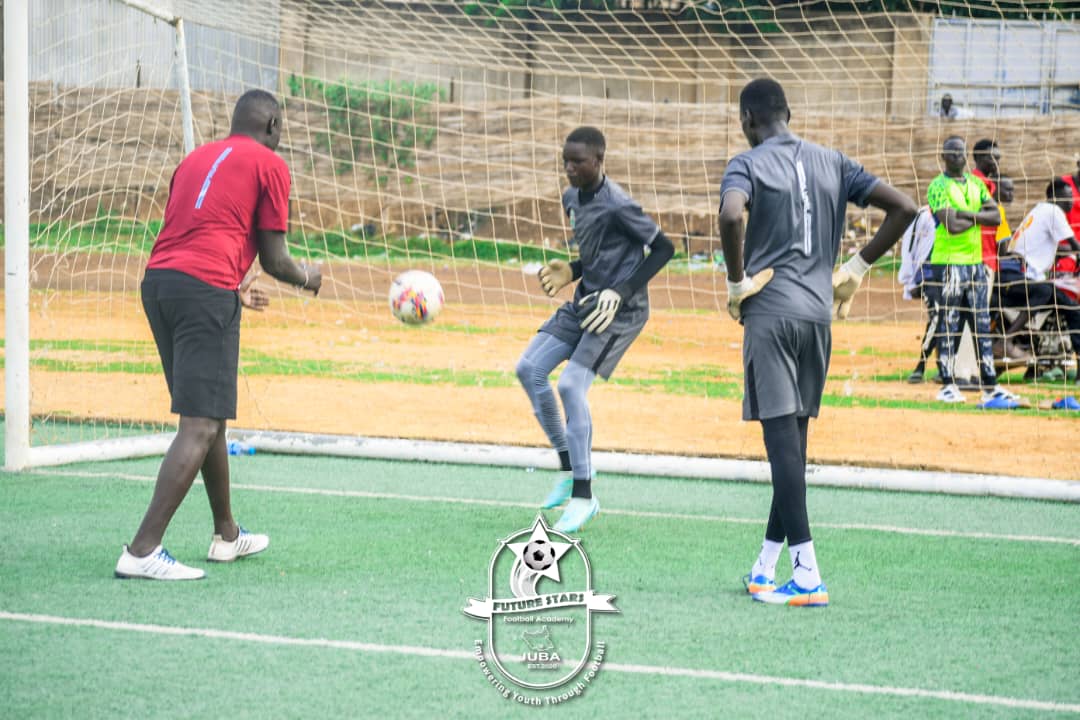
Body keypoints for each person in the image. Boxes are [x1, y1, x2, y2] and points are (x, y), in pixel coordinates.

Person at [719, 78, 916, 606]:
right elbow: (904, 207)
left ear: (746, 121)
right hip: (817, 316)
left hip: (770, 313)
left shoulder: (746, 163)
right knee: (794, 449)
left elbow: (732, 214)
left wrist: (737, 283)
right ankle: (765, 566)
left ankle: (806, 571)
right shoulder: (835, 161)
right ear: (789, 112)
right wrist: (854, 267)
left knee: (782, 448)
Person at [115, 90, 322, 580]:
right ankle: (143, 550)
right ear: (272, 124)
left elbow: (199, 228)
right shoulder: (270, 164)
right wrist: (308, 278)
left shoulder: (195, 159)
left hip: (160, 285)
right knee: (201, 425)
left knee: (208, 420)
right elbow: (276, 259)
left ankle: (226, 534)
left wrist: (232, 285)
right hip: (204, 291)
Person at [519, 126, 674, 533]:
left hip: (621, 311)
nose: (570, 168)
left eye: (579, 162)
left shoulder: (619, 204)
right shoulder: (571, 198)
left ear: (599, 161)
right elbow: (601, 254)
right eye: (565, 161)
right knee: (529, 369)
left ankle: (584, 496)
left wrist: (620, 293)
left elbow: (665, 249)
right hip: (587, 300)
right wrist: (572, 270)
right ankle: (570, 468)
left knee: (570, 386)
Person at [925, 136, 1019, 408]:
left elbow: (996, 216)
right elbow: (950, 225)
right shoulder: (937, 186)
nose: (959, 158)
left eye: (962, 153)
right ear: (943, 156)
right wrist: (978, 215)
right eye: (953, 153)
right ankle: (947, 384)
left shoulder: (977, 184)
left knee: (980, 325)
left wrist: (967, 215)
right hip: (949, 262)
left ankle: (990, 386)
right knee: (949, 323)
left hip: (976, 263)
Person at [999, 178, 1080, 363]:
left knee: (1054, 295)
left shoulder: (1040, 210)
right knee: (1071, 307)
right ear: (1053, 197)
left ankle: (1042, 362)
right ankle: (1008, 340)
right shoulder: (1054, 211)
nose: (1071, 202)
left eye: (1072, 198)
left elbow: (1060, 248)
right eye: (1067, 198)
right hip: (1020, 274)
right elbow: (1075, 246)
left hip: (1012, 271)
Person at [897, 205, 942, 383]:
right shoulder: (923, 215)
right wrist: (909, 280)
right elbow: (908, 247)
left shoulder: (959, 211)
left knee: (947, 319)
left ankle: (942, 367)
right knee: (937, 316)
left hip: (949, 272)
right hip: (926, 274)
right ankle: (921, 365)